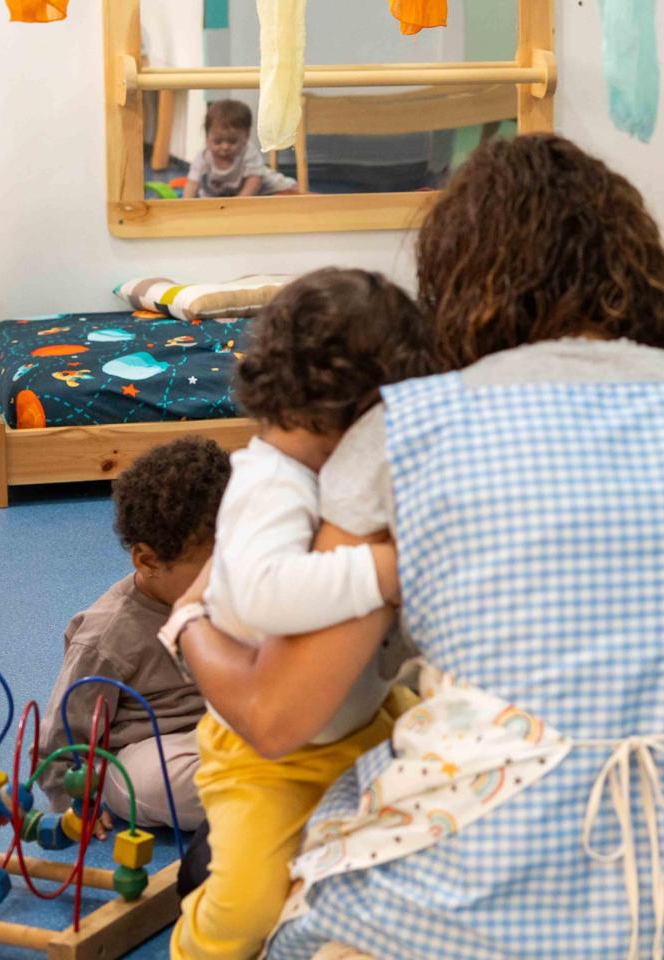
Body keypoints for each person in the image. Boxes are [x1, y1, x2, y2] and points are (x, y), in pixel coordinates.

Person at [170, 134, 664, 959]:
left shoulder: (402, 430)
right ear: (639, 270)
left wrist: (189, 624)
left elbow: (279, 716)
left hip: (471, 896)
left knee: (294, 909)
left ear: (456, 283)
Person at [158, 268, 426, 960]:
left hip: (362, 721)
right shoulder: (268, 484)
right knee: (245, 905)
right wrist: (383, 571)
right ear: (349, 409)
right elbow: (265, 593)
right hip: (264, 764)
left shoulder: (313, 476)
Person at [38, 436, 227, 832]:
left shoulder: (234, 590)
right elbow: (64, 731)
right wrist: (72, 801)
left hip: (233, 724)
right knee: (152, 785)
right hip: (154, 747)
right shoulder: (106, 636)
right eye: (212, 565)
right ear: (148, 560)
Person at [183, 99, 299, 199]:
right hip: (223, 193)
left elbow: (254, 181)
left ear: (246, 137)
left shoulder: (248, 152)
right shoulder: (204, 157)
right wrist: (186, 205)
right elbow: (192, 184)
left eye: (232, 141)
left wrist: (239, 202)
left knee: (290, 192)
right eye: (217, 142)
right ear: (207, 137)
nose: (225, 147)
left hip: (264, 187)